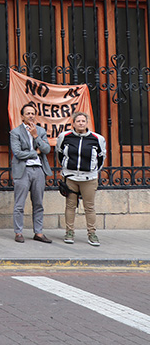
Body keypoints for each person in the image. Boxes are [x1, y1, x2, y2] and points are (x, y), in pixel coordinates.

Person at [56, 112, 106, 247]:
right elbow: (60, 154)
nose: (81, 123)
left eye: (83, 121)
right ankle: (69, 232)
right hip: (71, 177)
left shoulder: (97, 139)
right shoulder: (64, 137)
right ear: (73, 123)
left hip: (89, 178)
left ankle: (92, 233)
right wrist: (67, 170)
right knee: (70, 206)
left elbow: (101, 158)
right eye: (78, 121)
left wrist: (92, 170)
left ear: (87, 123)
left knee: (89, 207)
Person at [10, 104, 53, 244]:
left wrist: (36, 136)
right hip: (23, 171)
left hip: (38, 170)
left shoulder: (40, 131)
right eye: (27, 113)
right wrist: (35, 153)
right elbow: (17, 153)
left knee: (38, 203)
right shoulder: (15, 132)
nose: (30, 116)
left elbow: (46, 149)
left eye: (32, 113)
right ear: (22, 116)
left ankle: (38, 233)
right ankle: (18, 232)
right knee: (19, 204)